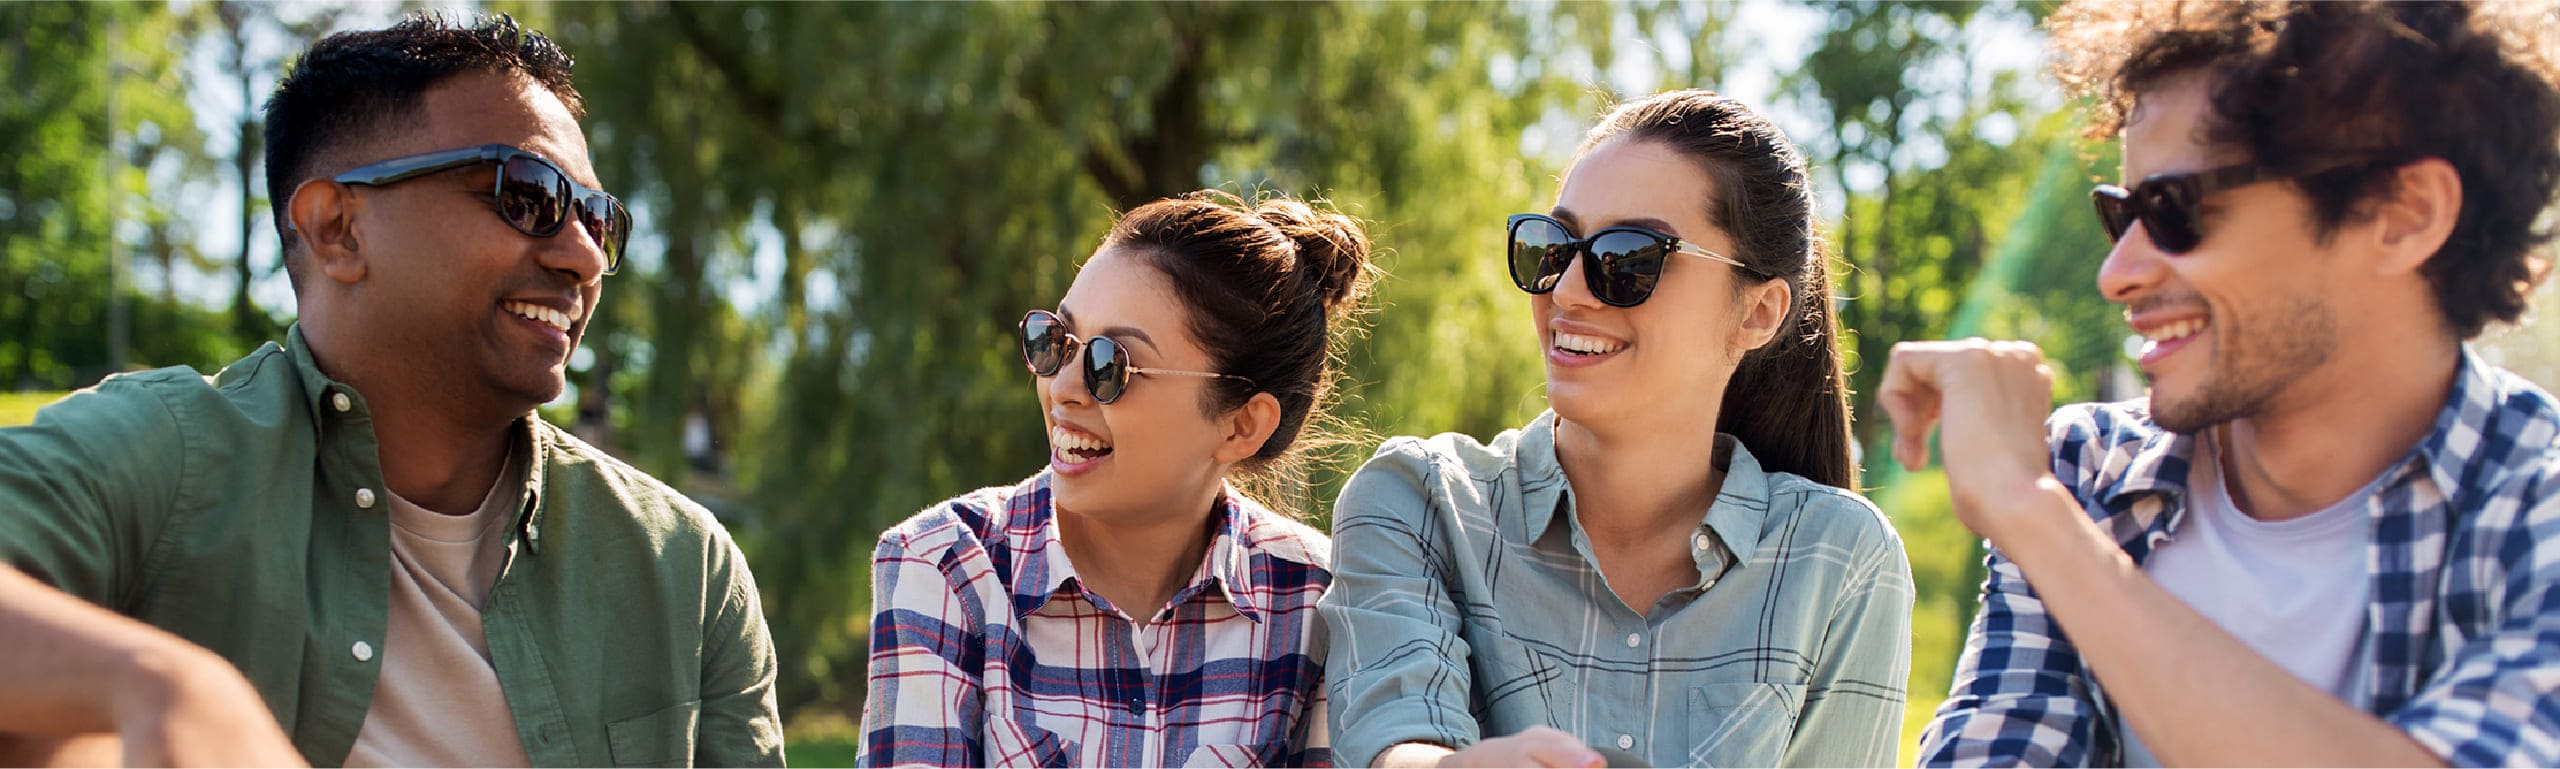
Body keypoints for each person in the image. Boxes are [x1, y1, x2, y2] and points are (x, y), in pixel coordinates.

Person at [0, 13, 785, 767]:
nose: (582, 256)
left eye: (599, 220)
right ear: (337, 228)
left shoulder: (686, 566)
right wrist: (166, 688)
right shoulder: (166, 454)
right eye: (530, 194)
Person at [1899, 2, 2560, 765]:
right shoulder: (2087, 472)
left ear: (2402, 215)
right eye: (2122, 214)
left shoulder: (2534, 509)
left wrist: (2035, 519)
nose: (2116, 275)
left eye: (2175, 209)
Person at [1319, 89, 1914, 769]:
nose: (1567, 292)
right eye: (1554, 247)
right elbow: (1393, 739)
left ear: (1759, 312)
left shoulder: (1840, 558)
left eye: (1629, 258)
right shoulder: (1418, 499)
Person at [858, 191, 1376, 767]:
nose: (1063, 388)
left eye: (1112, 365)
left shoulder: (1319, 604)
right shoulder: (943, 568)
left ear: (1241, 426)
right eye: (1054, 342)